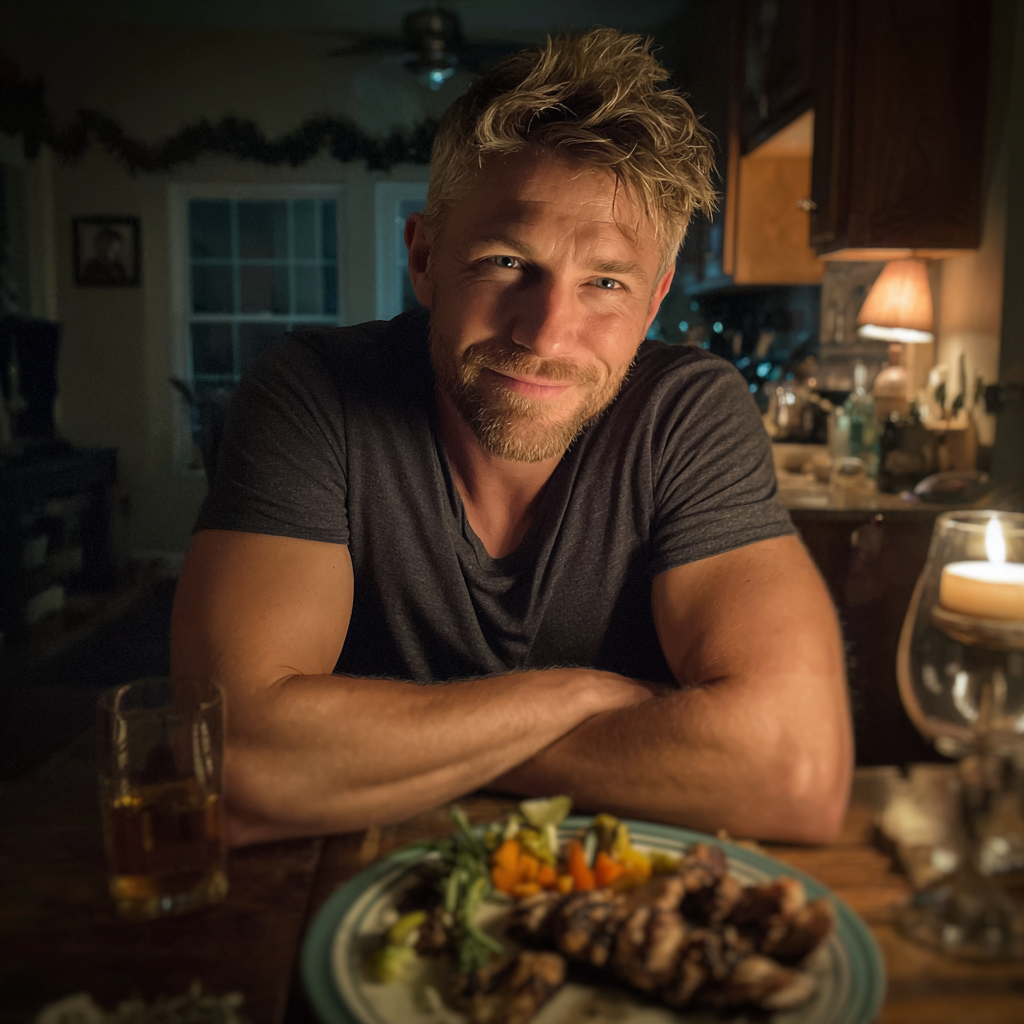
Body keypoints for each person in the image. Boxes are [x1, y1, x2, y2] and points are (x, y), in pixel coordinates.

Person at [171, 29, 852, 847]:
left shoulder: (687, 412)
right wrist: (587, 698)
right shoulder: (313, 393)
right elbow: (235, 758)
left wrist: (388, 755)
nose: (546, 334)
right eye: (505, 263)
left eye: (605, 281)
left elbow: (796, 771)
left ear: (655, 296)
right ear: (425, 256)